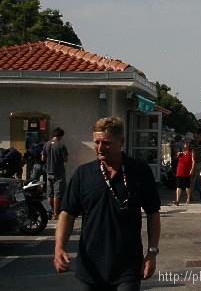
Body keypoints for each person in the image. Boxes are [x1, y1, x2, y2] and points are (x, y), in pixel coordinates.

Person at [54, 117, 161, 290]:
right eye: (96, 142)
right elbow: (67, 213)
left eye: (106, 143)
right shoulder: (83, 174)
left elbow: (153, 213)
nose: (100, 148)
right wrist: (59, 248)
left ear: (121, 142)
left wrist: (152, 253)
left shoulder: (140, 172)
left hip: (128, 266)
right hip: (90, 268)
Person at [42, 127, 68, 219]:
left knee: (49, 194)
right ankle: (55, 214)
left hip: (48, 171)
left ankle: (49, 212)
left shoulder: (46, 145)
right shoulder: (61, 146)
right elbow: (66, 159)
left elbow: (43, 158)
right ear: (60, 135)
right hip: (58, 172)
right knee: (57, 194)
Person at [173, 138, 194, 205]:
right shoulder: (179, 151)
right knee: (179, 185)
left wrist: (192, 169)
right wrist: (177, 155)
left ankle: (188, 198)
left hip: (187, 170)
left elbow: (193, 161)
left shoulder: (191, 151)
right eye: (184, 143)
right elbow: (174, 158)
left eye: (187, 143)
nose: (185, 145)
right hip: (180, 170)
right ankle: (177, 200)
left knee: (187, 185)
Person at [190, 131, 201, 200]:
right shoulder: (191, 144)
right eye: (195, 138)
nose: (196, 139)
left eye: (198, 138)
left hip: (200, 162)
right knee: (192, 179)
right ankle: (190, 194)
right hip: (193, 162)